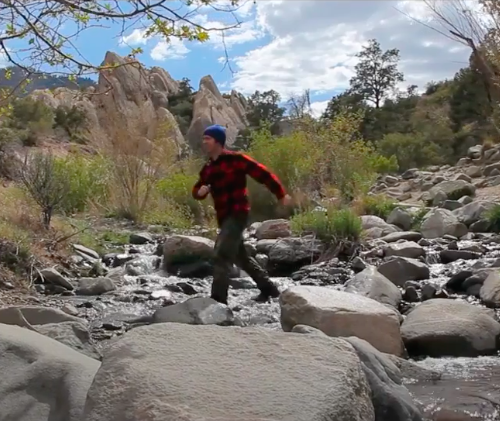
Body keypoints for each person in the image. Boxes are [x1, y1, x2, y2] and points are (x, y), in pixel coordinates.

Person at [192, 124, 292, 305]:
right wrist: (199, 192)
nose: (204, 142)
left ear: (218, 141)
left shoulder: (236, 160)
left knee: (221, 254)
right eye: (204, 138)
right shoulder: (208, 168)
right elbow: (197, 189)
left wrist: (280, 194)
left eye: (208, 139)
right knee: (241, 257)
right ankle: (269, 289)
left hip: (238, 213)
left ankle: (218, 301)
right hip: (223, 217)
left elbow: (262, 173)